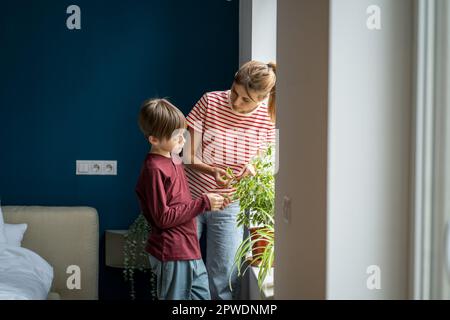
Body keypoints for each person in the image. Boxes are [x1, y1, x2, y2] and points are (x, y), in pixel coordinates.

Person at [183, 61, 277, 299]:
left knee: (223, 277)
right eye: (235, 92)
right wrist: (212, 170)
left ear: (263, 98)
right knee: (183, 270)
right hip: (191, 198)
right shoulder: (210, 101)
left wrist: (254, 168)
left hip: (230, 205)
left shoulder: (268, 116)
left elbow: (268, 161)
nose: (236, 102)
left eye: (246, 99)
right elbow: (186, 154)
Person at [135, 98, 229, 300]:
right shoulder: (153, 169)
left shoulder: (174, 159)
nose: (184, 141)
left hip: (189, 249)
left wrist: (214, 195)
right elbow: (163, 217)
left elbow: (181, 203)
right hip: (172, 251)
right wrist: (203, 202)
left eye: (183, 134)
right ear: (154, 139)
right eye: (177, 137)